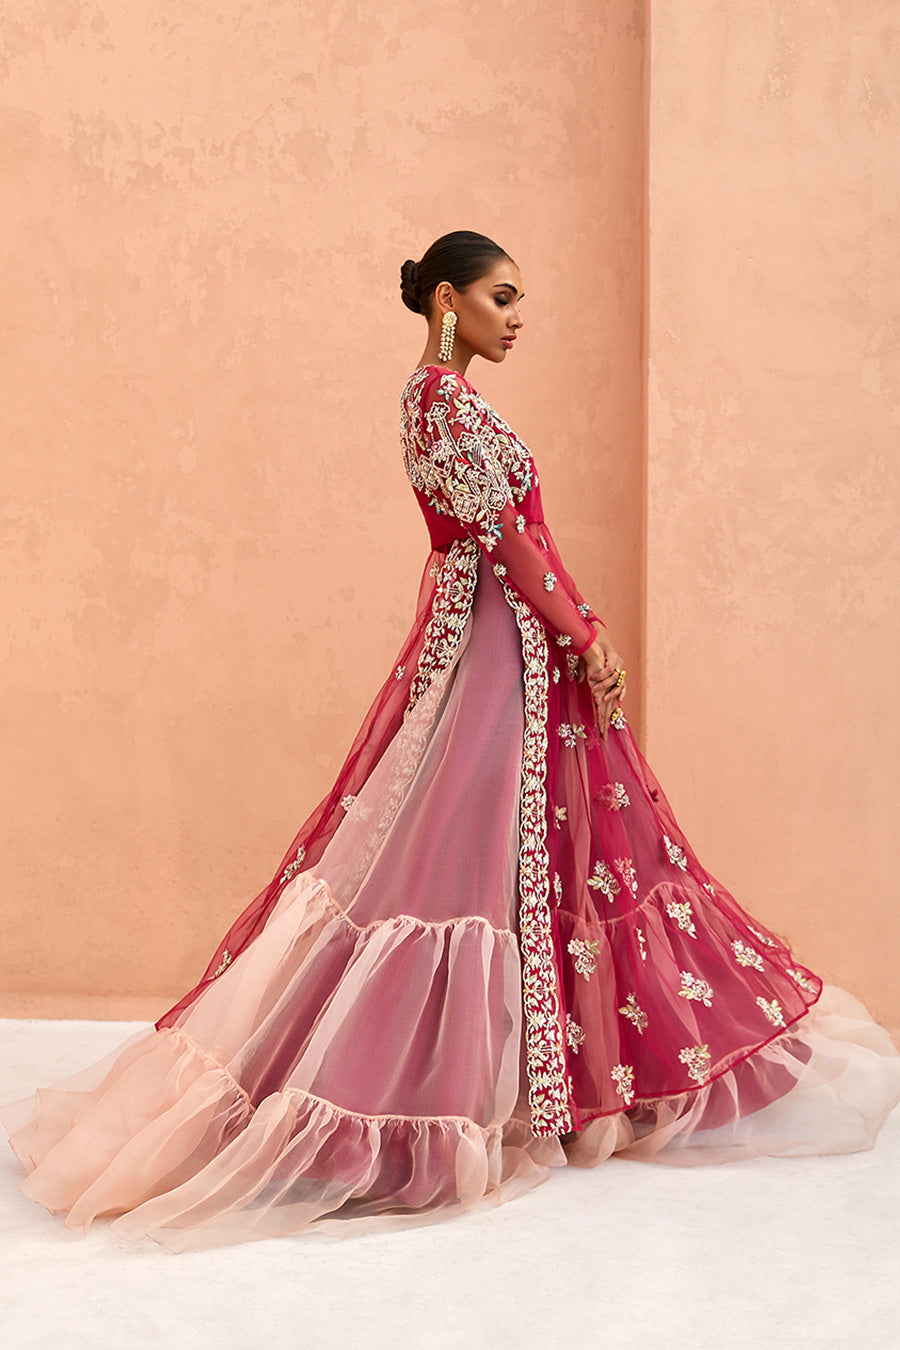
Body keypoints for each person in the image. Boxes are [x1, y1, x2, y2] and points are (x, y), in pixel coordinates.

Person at [2, 230, 899, 1253]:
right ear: (445, 300)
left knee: (514, 866)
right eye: (500, 297)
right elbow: (507, 543)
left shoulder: (455, 400)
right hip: (488, 655)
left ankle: (540, 1090)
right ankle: (412, 1102)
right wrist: (584, 630)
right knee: (449, 868)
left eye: (522, 300)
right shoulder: (436, 400)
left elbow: (521, 540)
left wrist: (571, 633)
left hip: (512, 645)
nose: (517, 318)